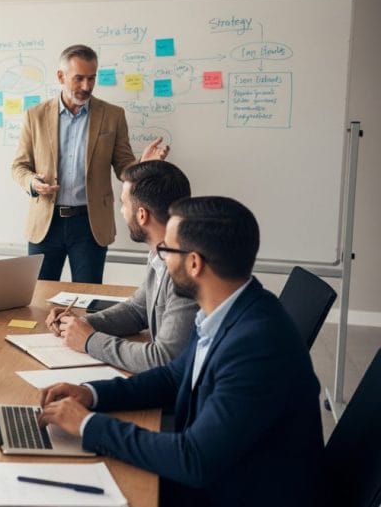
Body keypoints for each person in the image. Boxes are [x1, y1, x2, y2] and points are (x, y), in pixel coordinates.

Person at [38, 197, 324, 506]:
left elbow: (194, 460)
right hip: (221, 473)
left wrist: (86, 424)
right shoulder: (228, 309)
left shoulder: (257, 346)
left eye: (166, 250)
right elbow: (175, 377)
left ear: (194, 263)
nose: (160, 258)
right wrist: (91, 395)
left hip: (237, 491)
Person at [11, 44, 169, 283]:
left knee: (88, 298)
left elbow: (123, 166)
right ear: (61, 76)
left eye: (92, 78)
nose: (86, 86)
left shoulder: (113, 115)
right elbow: (19, 166)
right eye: (79, 79)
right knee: (37, 297)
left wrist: (142, 167)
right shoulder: (36, 115)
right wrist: (33, 183)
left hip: (89, 224)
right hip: (45, 221)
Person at [46, 160, 198, 373]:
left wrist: (90, 340)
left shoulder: (186, 271)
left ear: (142, 215)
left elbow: (164, 359)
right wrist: (79, 324)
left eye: (124, 204)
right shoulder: (160, 252)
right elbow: (137, 310)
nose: (122, 212)